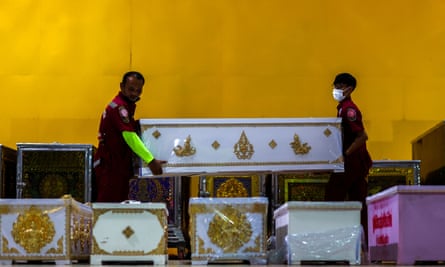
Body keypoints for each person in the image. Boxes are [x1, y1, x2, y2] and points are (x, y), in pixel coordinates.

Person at [93, 71, 167, 202]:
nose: (135, 94)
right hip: (111, 166)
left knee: (118, 204)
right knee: (109, 207)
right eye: (131, 89)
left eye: (139, 90)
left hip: (118, 165)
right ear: (122, 86)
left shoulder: (125, 106)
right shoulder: (119, 108)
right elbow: (130, 137)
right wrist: (150, 160)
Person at [325, 72, 372, 244]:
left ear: (349, 89)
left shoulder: (349, 110)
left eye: (339, 87)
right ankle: (364, 245)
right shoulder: (342, 107)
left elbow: (362, 136)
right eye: (335, 87)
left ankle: (332, 242)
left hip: (351, 162)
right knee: (358, 202)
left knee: (332, 198)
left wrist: (344, 155)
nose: (336, 90)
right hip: (352, 162)